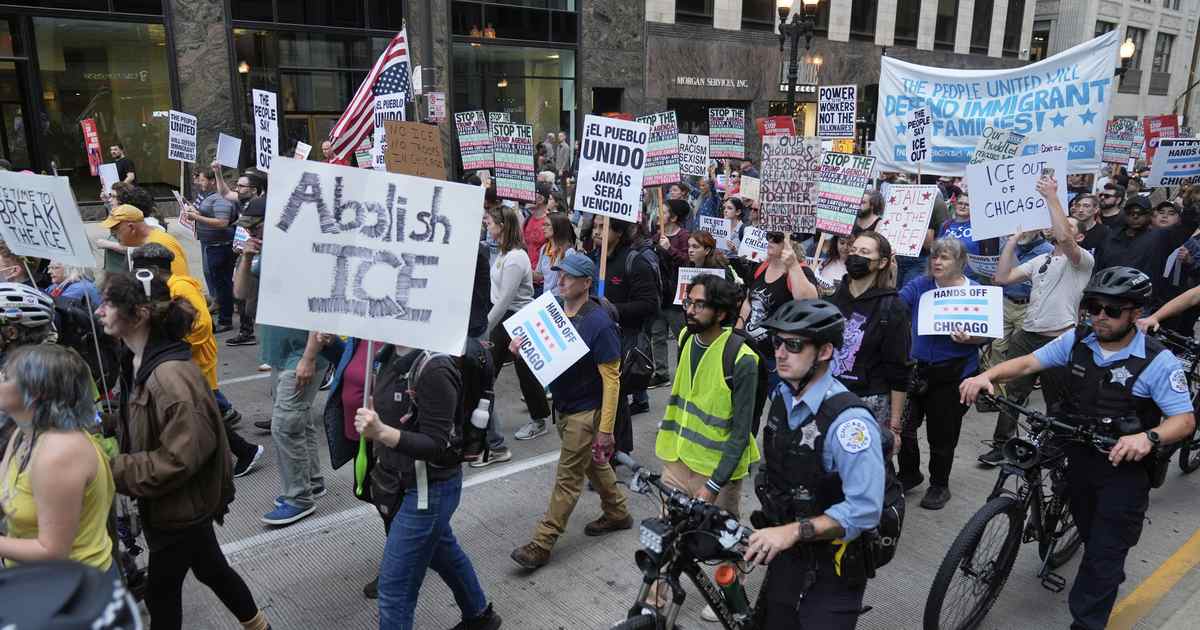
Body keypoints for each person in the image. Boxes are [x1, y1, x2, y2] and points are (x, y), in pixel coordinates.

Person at [960, 267, 1195, 630]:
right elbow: (1027, 362)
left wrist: (1147, 438)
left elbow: (1184, 420)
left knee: (1104, 555)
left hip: (1122, 465)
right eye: (1093, 306)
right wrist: (986, 376)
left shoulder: (1158, 361)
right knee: (1088, 530)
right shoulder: (1077, 340)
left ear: (1135, 313)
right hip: (1074, 447)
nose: (1100, 315)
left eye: (1112, 310)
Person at [100, 271, 271, 630]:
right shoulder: (138, 361)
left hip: (179, 508)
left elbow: (180, 458)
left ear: (140, 313)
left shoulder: (170, 377)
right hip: (172, 504)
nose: (100, 311)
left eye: (109, 303)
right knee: (212, 569)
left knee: (162, 593)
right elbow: (149, 426)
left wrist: (109, 468)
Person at [745, 299, 885, 629]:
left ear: (823, 352)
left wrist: (792, 531)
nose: (780, 352)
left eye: (793, 345)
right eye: (777, 342)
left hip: (835, 563)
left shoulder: (849, 424)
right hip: (788, 551)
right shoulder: (782, 396)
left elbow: (865, 509)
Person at [353, 346, 503, 630]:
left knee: (394, 588)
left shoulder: (434, 369)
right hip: (400, 483)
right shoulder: (388, 354)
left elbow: (436, 444)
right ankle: (480, 617)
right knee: (443, 553)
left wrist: (382, 432)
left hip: (426, 492)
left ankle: (479, 617)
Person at [509, 252, 631, 570]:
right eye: (560, 274)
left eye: (569, 276)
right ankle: (618, 512)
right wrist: (522, 352)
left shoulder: (599, 324)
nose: (560, 280)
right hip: (564, 408)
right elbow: (547, 359)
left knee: (568, 478)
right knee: (592, 464)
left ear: (587, 282)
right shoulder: (555, 308)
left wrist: (605, 430)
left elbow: (612, 381)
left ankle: (542, 542)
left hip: (585, 414)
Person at [653, 274, 760, 620]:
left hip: (719, 471)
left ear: (720, 312)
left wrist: (714, 485)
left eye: (699, 305)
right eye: (689, 302)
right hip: (679, 457)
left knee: (725, 537)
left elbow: (741, 432)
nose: (690, 310)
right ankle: (656, 595)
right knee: (666, 531)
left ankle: (733, 595)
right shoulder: (686, 337)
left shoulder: (742, 359)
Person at [979, 175, 1094, 465]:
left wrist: (1052, 196)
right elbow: (1002, 277)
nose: (1060, 227)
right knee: (1013, 395)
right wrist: (1012, 242)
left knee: (1057, 400)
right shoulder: (1040, 261)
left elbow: (1065, 238)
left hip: (1058, 338)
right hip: (1027, 335)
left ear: (1079, 237)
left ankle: (1056, 447)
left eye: (1068, 225)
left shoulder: (1082, 261)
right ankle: (1001, 445)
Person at [234, 228, 330, 525]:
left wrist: (309, 357)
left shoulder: (313, 257)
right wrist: (247, 257)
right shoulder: (269, 257)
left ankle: (299, 497)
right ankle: (312, 480)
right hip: (281, 354)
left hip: (301, 356)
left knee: (285, 427)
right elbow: (239, 292)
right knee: (298, 420)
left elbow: (324, 312)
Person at [0, 345, 115, 576]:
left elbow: (52, 552)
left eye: (6, 376)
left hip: (73, 595)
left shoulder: (60, 453)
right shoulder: (23, 433)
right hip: (35, 584)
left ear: (35, 394)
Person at [898, 237, 989, 510]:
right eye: (934, 256)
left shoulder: (976, 292)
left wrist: (972, 339)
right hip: (916, 371)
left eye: (945, 257)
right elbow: (896, 306)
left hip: (954, 374)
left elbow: (988, 335)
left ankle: (940, 484)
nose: (937, 262)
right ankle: (909, 473)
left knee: (943, 433)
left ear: (961, 262)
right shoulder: (920, 285)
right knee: (904, 427)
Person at [828, 231, 910, 448]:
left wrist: (894, 426)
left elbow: (899, 369)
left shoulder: (892, 307)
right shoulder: (833, 299)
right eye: (853, 250)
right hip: (829, 395)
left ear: (882, 262)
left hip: (868, 403)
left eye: (864, 252)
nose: (856, 256)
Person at [484, 205, 551, 441]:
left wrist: (485, 328)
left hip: (516, 319)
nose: (486, 225)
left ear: (502, 227)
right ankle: (480, 416)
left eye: (490, 222)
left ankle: (539, 419)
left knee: (526, 372)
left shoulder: (514, 258)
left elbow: (504, 301)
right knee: (486, 370)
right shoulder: (504, 253)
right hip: (504, 317)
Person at [600, 218, 661, 442]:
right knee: (611, 399)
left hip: (625, 339)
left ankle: (616, 451)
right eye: (597, 226)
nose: (597, 232)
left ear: (618, 232)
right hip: (602, 337)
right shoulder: (600, 259)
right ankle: (617, 449)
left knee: (616, 397)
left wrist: (613, 309)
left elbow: (649, 304)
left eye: (603, 227)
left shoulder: (635, 262)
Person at [740, 232, 818, 390]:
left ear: (791, 243)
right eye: (769, 235)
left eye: (776, 238)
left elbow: (809, 303)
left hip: (778, 357)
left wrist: (793, 265)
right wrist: (737, 332)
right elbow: (749, 301)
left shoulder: (800, 272)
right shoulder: (762, 267)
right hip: (750, 349)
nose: (769, 240)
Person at [1095, 193, 1198, 307]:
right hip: (1109, 298)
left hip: (1141, 302)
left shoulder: (1160, 237)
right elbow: (1098, 268)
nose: (1135, 216)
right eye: (1131, 213)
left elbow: (1187, 226)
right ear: (1124, 214)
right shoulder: (1110, 237)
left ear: (1149, 215)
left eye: (1141, 213)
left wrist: (1188, 202)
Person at [181, 166, 237, 332]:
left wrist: (196, 216)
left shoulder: (220, 198)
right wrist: (195, 211)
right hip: (213, 246)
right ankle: (224, 315)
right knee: (219, 283)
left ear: (213, 181)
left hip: (220, 247)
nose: (199, 183)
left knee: (223, 284)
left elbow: (222, 222)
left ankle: (225, 320)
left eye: (203, 180)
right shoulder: (211, 196)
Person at [647, 199, 692, 388]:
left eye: (663, 212)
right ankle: (661, 372)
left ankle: (686, 372)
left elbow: (688, 261)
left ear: (673, 217)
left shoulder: (684, 236)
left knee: (682, 335)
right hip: (660, 294)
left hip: (677, 295)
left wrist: (669, 249)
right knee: (657, 335)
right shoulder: (657, 236)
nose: (659, 215)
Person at [100, 205, 190, 279]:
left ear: (131, 228)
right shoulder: (146, 243)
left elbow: (179, 283)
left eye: (115, 229)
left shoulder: (161, 243)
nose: (113, 234)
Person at [534, 211, 576, 298]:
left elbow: (569, 282)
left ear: (558, 227)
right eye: (543, 225)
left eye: (547, 225)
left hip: (560, 300)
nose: (543, 228)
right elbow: (539, 275)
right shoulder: (545, 248)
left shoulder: (569, 252)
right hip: (545, 298)